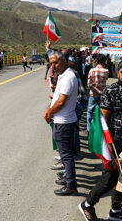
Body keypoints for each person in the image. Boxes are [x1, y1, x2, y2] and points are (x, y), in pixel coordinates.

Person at [79, 59, 122, 221]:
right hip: (113, 142)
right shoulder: (110, 91)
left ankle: (116, 208)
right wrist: (107, 146)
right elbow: (103, 119)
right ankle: (88, 204)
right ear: (117, 73)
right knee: (109, 178)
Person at [43, 50, 78, 196]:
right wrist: (48, 109)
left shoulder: (69, 76)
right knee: (65, 154)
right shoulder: (63, 75)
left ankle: (71, 185)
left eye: (55, 62)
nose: (53, 66)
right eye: (51, 63)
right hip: (61, 120)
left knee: (66, 155)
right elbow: (56, 97)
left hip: (64, 122)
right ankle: (67, 178)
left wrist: (50, 112)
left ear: (64, 61)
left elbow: (61, 101)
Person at [86, 54, 109, 132]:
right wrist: (100, 91)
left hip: (93, 95)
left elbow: (89, 84)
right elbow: (105, 81)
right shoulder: (106, 71)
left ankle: (89, 129)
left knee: (90, 112)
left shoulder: (91, 70)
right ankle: (100, 129)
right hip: (103, 95)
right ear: (103, 61)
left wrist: (96, 90)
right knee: (101, 113)